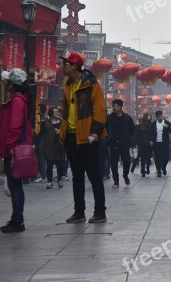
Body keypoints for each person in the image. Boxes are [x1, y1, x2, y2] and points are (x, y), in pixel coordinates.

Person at [59, 53, 108, 224]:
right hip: (71, 137)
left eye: (65, 63)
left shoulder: (91, 84)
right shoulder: (67, 84)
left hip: (88, 137)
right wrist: (63, 134)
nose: (62, 66)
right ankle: (79, 212)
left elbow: (100, 110)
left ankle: (100, 212)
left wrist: (95, 132)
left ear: (74, 66)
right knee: (77, 176)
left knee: (94, 175)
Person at [0, 68, 32, 232]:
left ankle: (18, 220)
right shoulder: (20, 99)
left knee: (15, 185)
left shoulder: (17, 101)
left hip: (14, 148)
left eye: (8, 81)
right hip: (15, 147)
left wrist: (10, 146)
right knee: (15, 185)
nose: (5, 84)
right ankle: (16, 218)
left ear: (13, 84)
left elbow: (15, 125)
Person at [106, 98, 135, 188]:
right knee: (113, 162)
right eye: (113, 106)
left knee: (126, 161)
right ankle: (116, 180)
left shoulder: (127, 118)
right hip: (113, 143)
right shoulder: (110, 117)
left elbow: (132, 130)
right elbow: (106, 129)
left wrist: (129, 140)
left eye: (114, 106)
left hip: (124, 143)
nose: (113, 108)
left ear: (120, 107)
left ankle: (125, 175)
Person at [42, 107, 67, 189]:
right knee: (49, 165)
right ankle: (49, 182)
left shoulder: (62, 122)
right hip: (50, 147)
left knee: (60, 166)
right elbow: (41, 133)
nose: (58, 113)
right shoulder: (46, 122)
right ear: (51, 113)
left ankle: (59, 180)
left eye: (58, 112)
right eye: (55, 112)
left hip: (59, 147)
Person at [149, 110, 171, 176]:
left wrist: (167, 127)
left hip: (164, 143)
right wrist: (151, 140)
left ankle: (164, 167)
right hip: (156, 143)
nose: (160, 117)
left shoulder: (166, 123)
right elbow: (150, 133)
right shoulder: (153, 124)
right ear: (156, 117)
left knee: (166, 157)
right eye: (158, 116)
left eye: (161, 116)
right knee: (157, 157)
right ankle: (158, 170)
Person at [134, 110, 153, 177]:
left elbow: (152, 133)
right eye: (148, 116)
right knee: (142, 157)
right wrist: (136, 143)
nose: (149, 117)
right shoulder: (139, 123)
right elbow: (136, 132)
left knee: (148, 157)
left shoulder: (151, 124)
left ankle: (147, 167)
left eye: (150, 116)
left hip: (148, 143)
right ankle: (142, 170)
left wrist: (151, 140)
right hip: (141, 142)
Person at [33, 105, 47, 183]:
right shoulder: (43, 117)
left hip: (41, 141)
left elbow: (40, 132)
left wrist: (36, 141)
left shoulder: (42, 119)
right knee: (40, 158)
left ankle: (43, 176)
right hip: (41, 140)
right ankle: (41, 175)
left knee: (41, 158)